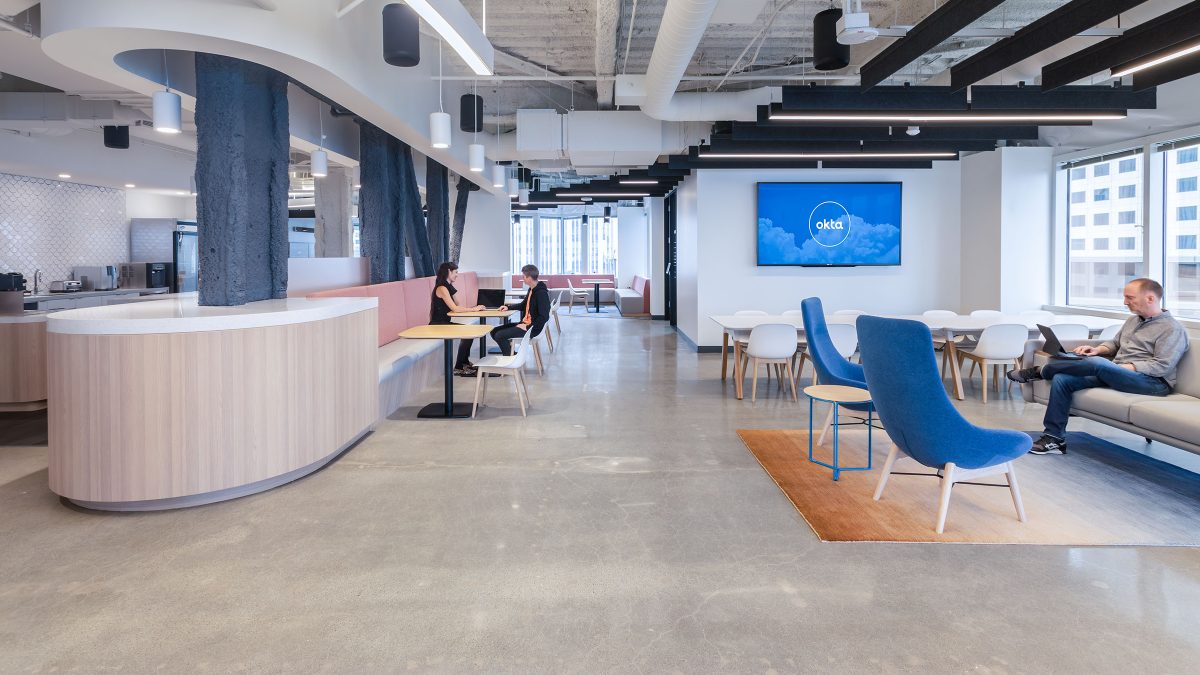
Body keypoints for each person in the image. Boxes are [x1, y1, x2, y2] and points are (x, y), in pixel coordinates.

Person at [1007, 278, 1189, 455]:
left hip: (1153, 383)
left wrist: (1120, 368)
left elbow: (1161, 366)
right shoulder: (1133, 321)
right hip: (1120, 374)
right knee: (1063, 379)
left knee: (1099, 365)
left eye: (1130, 298)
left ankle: (1041, 371)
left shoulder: (1172, 329)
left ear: (1150, 298)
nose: (1125, 302)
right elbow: (1115, 343)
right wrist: (1096, 350)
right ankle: (1054, 438)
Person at [429, 261, 486, 377]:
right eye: (455, 272)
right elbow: (455, 309)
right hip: (438, 324)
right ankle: (459, 367)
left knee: (470, 332)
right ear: (448, 272)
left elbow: (457, 303)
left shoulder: (446, 287)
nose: (457, 275)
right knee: (469, 332)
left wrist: (451, 286)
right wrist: (474, 309)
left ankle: (463, 364)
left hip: (444, 322)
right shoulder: (441, 288)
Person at [491, 264, 550, 356]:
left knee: (499, 335)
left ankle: (510, 358)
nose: (523, 279)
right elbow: (523, 305)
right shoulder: (532, 289)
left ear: (529, 278)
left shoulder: (541, 293)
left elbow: (544, 316)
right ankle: (511, 353)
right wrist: (508, 307)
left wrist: (528, 327)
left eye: (524, 277)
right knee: (494, 331)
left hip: (532, 328)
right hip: (525, 324)